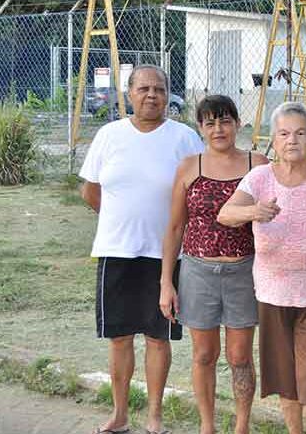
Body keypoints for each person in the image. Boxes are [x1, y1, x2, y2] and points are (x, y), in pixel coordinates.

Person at [218, 101, 306, 434]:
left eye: (300, 133)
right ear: (274, 139)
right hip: (272, 293)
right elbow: (226, 214)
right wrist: (254, 211)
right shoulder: (260, 177)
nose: (291, 140)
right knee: (285, 377)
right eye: (283, 133)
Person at [79, 64, 204, 434]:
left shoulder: (184, 137)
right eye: (144, 89)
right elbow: (91, 190)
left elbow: (198, 190)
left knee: (157, 336)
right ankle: (119, 414)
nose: (152, 95)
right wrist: (121, 217)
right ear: (129, 94)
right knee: (119, 336)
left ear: (168, 95)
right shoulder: (109, 135)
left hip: (165, 256)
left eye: (160, 89)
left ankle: (154, 417)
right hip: (116, 250)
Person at [158, 95, 268, 434]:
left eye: (225, 121)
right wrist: (166, 282)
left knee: (239, 356)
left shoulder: (258, 163)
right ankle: (207, 425)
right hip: (198, 271)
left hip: (244, 271)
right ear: (200, 128)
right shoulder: (190, 167)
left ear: (237, 123)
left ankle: (241, 425)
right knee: (204, 355)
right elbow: (176, 226)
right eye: (210, 122)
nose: (218, 129)